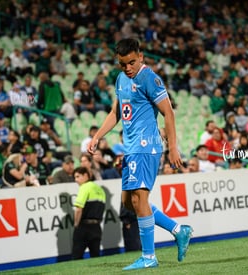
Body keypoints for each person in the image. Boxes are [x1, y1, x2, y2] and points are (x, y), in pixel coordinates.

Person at [87, 38, 192, 270]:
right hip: (131, 148)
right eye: (123, 64)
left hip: (147, 145)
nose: (128, 68)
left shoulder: (149, 78)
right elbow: (116, 112)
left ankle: (149, 256)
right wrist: (98, 136)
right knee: (128, 202)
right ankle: (178, 230)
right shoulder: (121, 79)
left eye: (132, 62)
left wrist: (173, 147)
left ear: (141, 56)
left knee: (138, 199)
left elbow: (168, 113)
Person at [72, 166, 106, 260]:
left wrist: (76, 225)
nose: (76, 180)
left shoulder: (84, 187)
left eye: (78, 176)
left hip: (84, 227)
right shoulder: (100, 190)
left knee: (77, 256)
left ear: (86, 175)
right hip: (96, 227)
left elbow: (79, 209)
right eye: (75, 177)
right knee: (95, 257)